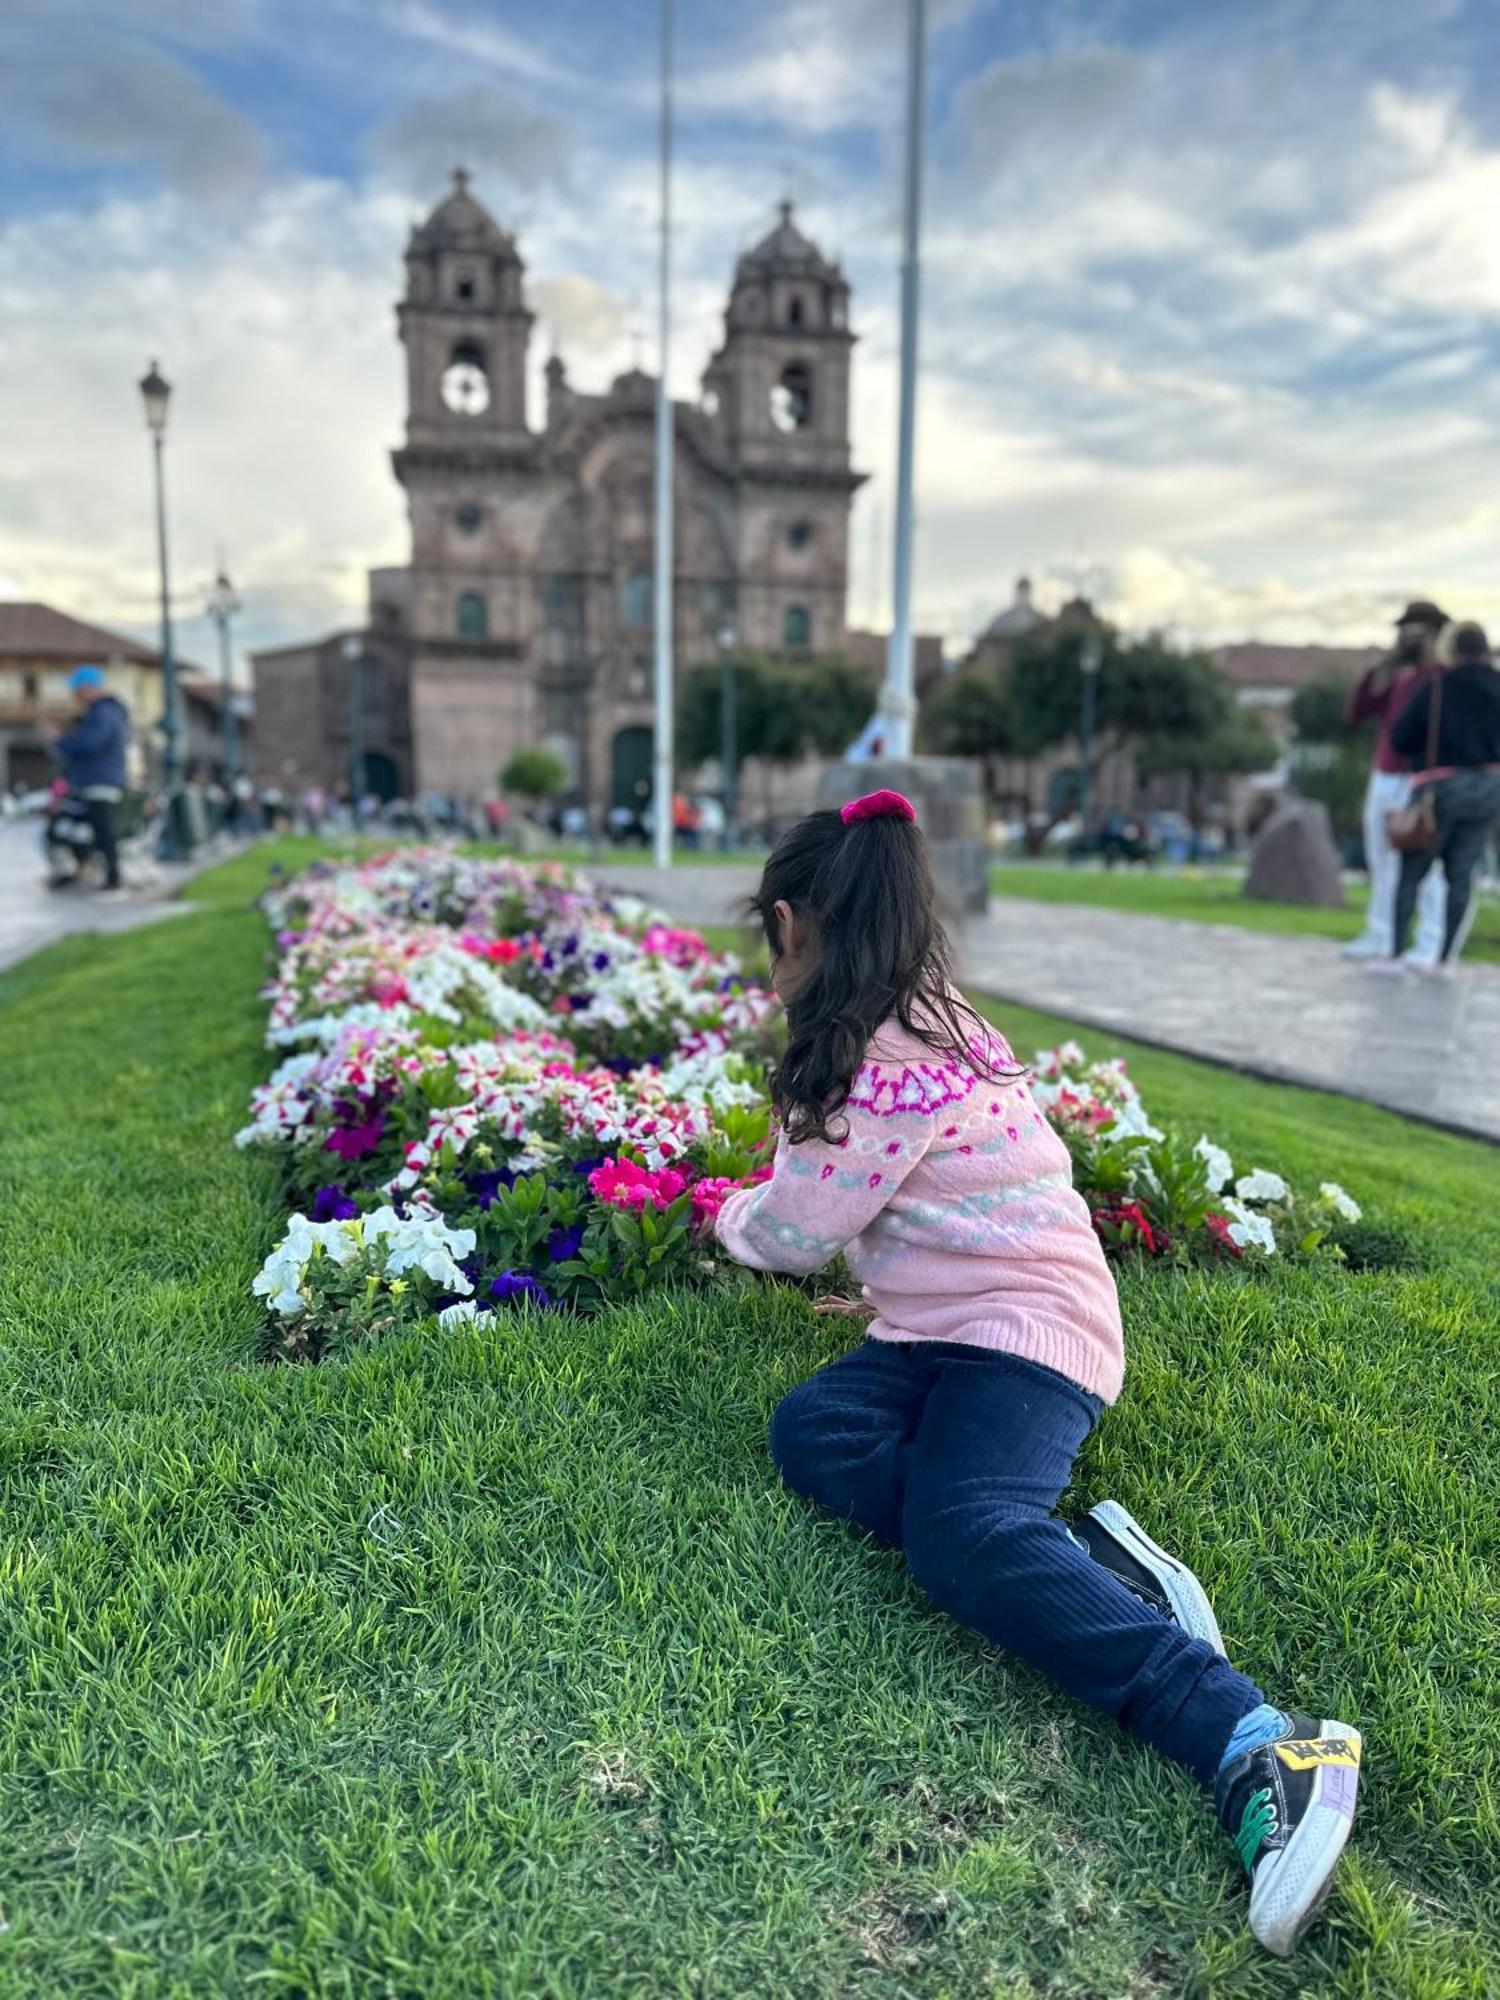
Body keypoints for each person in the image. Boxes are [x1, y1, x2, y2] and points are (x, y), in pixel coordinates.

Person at [714, 790, 1362, 1959]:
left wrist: (725, 1215)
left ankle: (1254, 1732)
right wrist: (883, 1286)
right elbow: (926, 1202)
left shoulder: (874, 1059)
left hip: (1029, 1332)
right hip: (932, 1331)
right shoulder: (927, 1014)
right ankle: (1076, 1562)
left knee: (958, 1534)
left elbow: (792, 1229)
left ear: (793, 925)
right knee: (816, 1430)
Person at [1381, 622, 1500, 976]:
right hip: (1490, 790)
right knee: (1462, 874)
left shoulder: (1436, 687)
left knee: (1412, 871)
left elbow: (1400, 738)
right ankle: (1446, 958)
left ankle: (1396, 953)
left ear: (1454, 650)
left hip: (1439, 788)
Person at [1341, 601, 1448, 965]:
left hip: (1419, 777)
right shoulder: (1399, 678)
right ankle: (1381, 933)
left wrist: (1431, 660)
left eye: (1416, 631)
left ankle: (1430, 940)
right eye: (1404, 630)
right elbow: (1357, 712)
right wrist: (1380, 667)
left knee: (1425, 862)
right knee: (1381, 857)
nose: (1408, 638)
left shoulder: (1440, 677)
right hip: (1385, 774)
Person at [53, 665, 130, 894]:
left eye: (77, 689)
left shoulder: (104, 713)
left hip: (100, 781)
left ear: (88, 688)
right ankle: (82, 870)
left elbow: (90, 744)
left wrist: (62, 740)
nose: (74, 694)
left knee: (103, 832)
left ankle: (113, 880)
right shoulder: (100, 713)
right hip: (93, 781)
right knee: (73, 828)